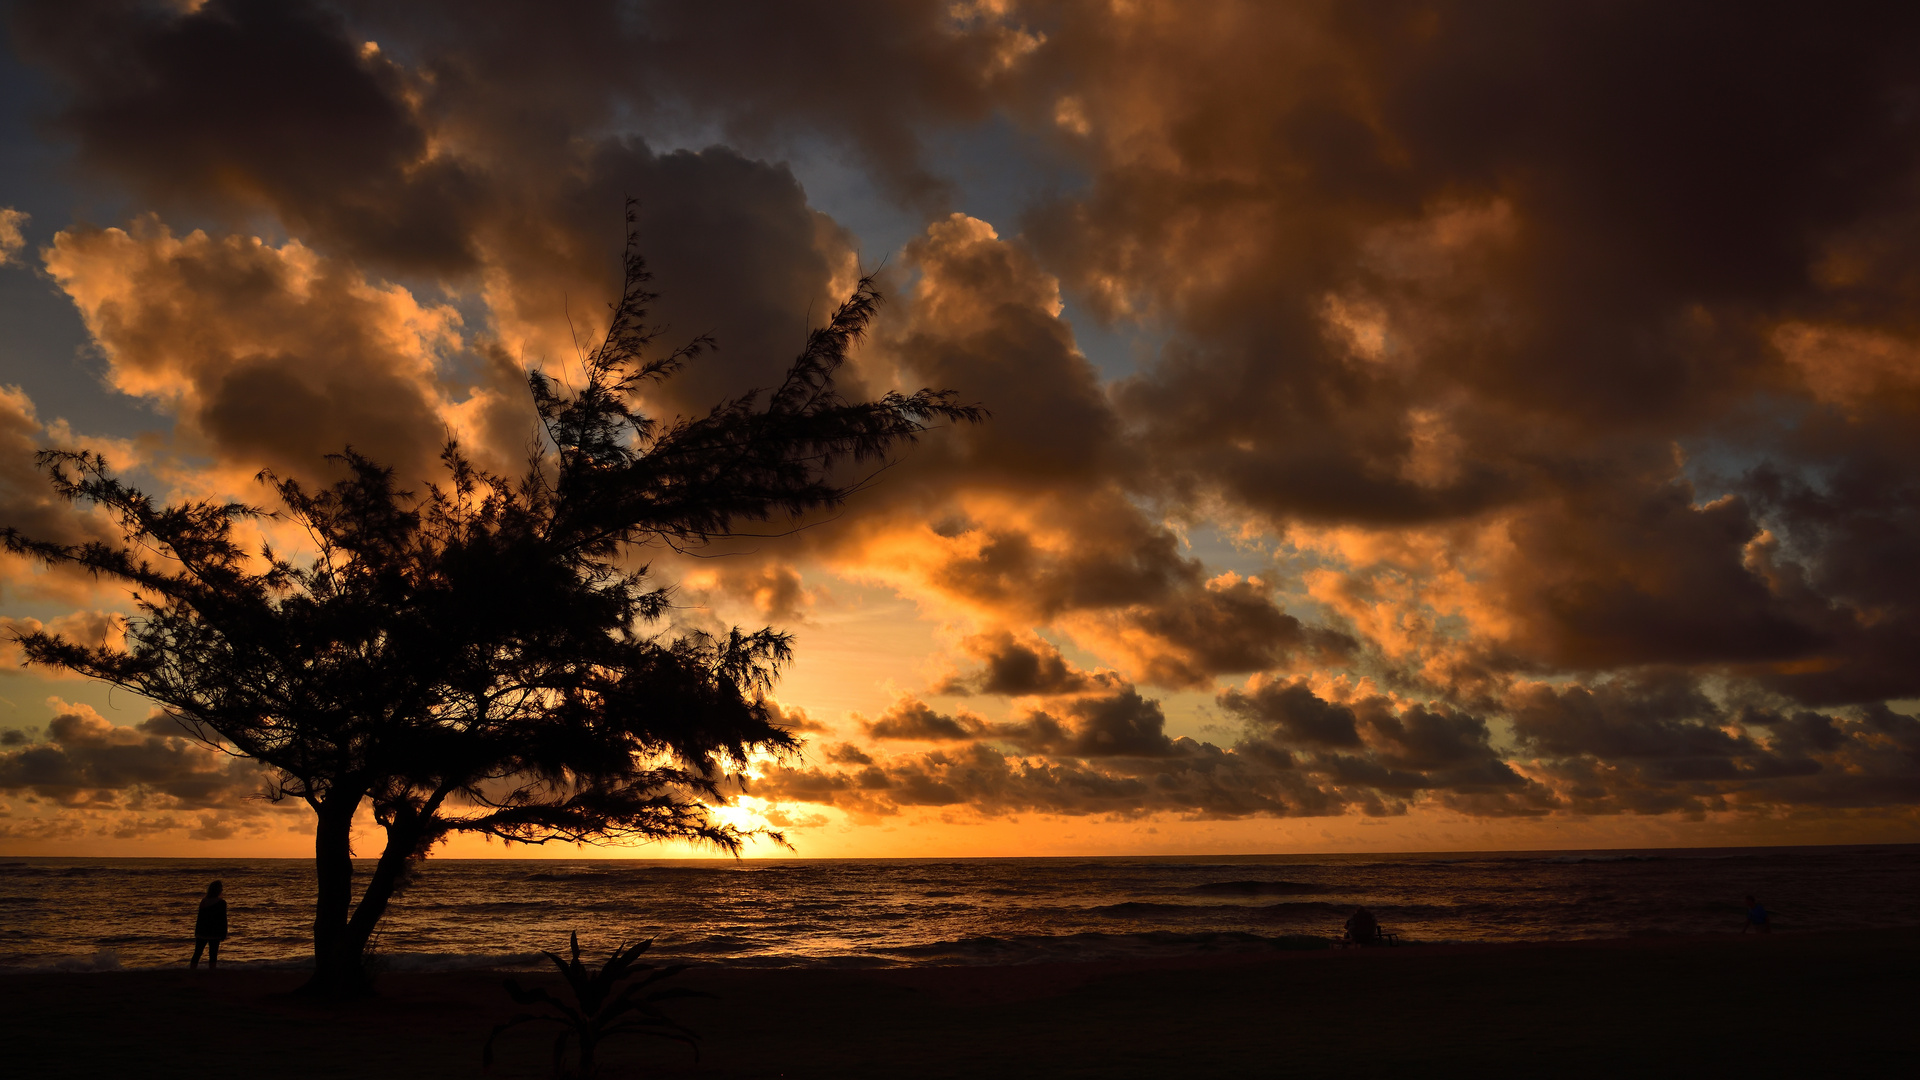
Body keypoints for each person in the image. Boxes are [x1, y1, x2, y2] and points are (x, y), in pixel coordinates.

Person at [190, 880, 228, 969]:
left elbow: (200, 918)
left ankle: (192, 970)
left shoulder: (204, 901)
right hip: (215, 932)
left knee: (197, 952)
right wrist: (224, 933)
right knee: (213, 954)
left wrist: (197, 931)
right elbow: (223, 919)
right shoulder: (221, 903)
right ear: (219, 890)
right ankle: (212, 971)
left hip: (202, 931)